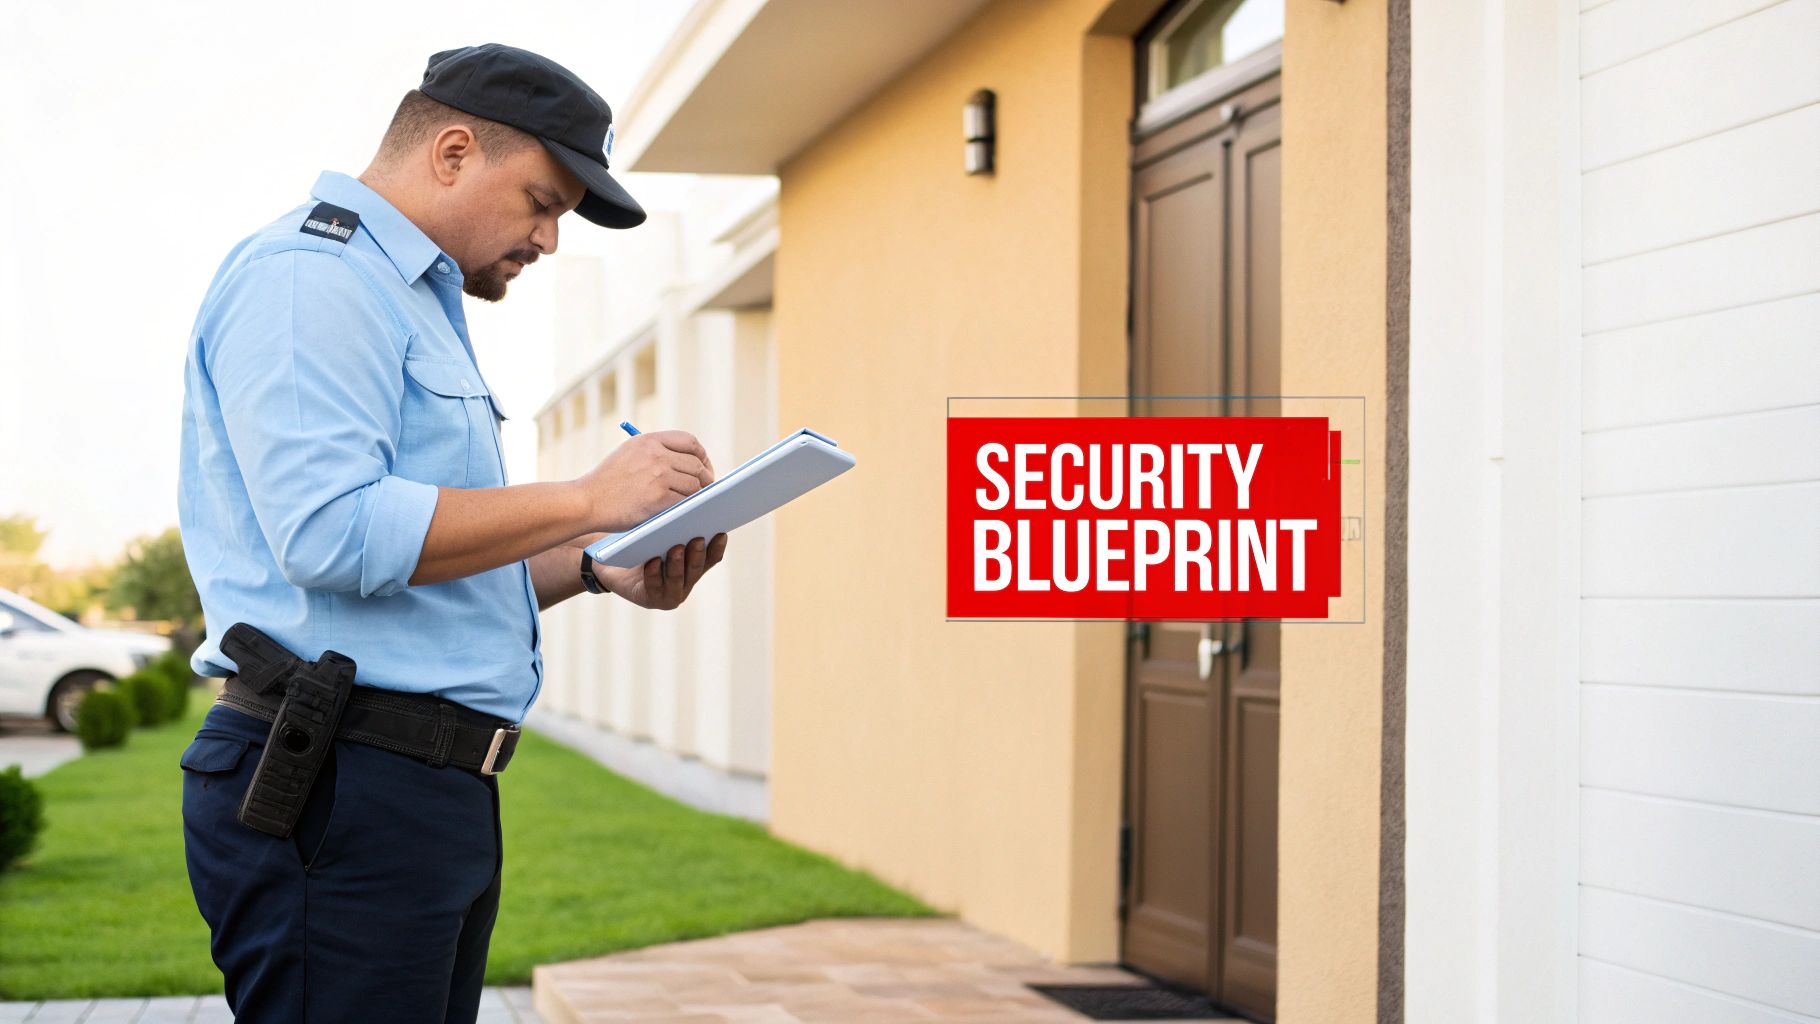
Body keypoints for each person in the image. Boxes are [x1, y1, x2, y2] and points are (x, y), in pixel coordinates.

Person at [174, 43, 727, 1023]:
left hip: (413, 790)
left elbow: (427, 561)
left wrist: (596, 566)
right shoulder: (313, 277)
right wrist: (588, 497)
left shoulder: (410, 300)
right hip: (340, 784)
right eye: (543, 202)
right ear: (454, 151)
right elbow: (331, 531)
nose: (549, 238)